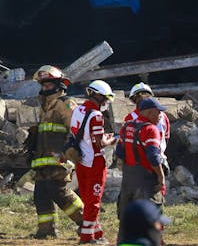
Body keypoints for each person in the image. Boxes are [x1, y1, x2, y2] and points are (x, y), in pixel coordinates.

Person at [25, 65, 84, 238]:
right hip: (43, 160)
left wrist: (67, 155)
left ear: (59, 85)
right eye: (43, 85)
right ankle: (46, 230)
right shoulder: (45, 107)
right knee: (41, 194)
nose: (45, 88)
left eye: (49, 85)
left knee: (59, 192)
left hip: (59, 158)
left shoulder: (65, 104)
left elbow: (74, 131)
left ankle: (87, 222)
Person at [115, 97, 167, 243]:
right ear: (150, 112)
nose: (160, 116)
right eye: (158, 112)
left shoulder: (127, 126)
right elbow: (153, 156)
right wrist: (160, 176)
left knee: (127, 219)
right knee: (148, 218)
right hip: (146, 182)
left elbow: (119, 152)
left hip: (128, 182)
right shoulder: (150, 130)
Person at [71, 80, 117, 244]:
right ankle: (86, 237)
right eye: (105, 99)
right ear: (98, 96)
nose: (106, 103)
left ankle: (97, 233)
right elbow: (99, 143)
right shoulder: (96, 116)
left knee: (87, 198)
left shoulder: (78, 110)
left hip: (80, 160)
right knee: (94, 201)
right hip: (95, 161)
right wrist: (112, 140)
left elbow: (80, 134)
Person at [124, 83, 170, 172]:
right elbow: (166, 138)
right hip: (158, 160)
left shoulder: (130, 118)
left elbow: (126, 142)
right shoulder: (163, 116)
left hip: (137, 163)